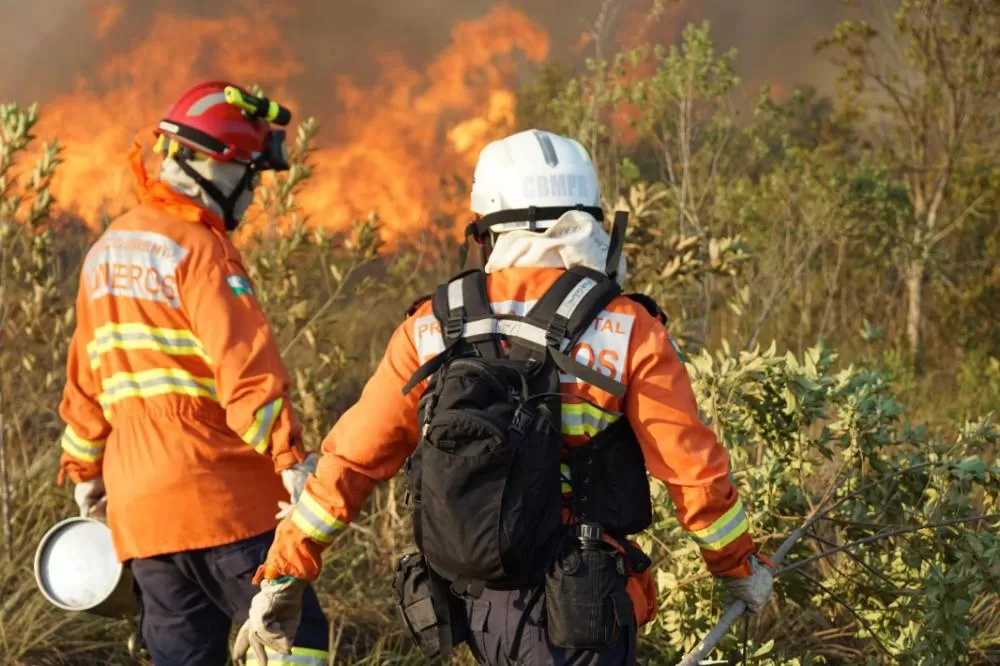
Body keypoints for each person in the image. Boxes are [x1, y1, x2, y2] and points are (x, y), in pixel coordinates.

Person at [232, 129, 773, 666]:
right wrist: (738, 568)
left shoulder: (431, 326)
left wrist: (284, 570)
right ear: (592, 224)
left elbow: (349, 461)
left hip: (475, 608)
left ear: (487, 232)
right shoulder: (626, 327)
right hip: (581, 609)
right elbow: (692, 472)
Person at [56, 80, 329, 666]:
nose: (254, 194)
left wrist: (85, 471)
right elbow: (246, 371)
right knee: (295, 637)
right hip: (220, 495)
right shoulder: (200, 249)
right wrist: (290, 460)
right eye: (250, 175)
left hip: (138, 512)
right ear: (214, 167)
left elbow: (85, 384)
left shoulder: (105, 250)